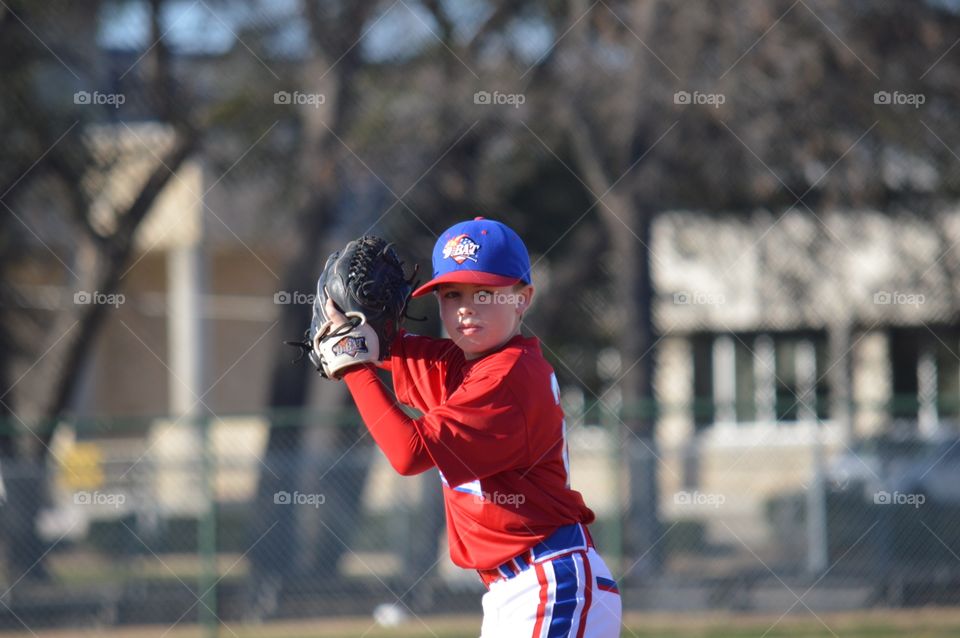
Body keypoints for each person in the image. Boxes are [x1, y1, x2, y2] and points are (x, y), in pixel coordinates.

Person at [324, 217, 622, 636]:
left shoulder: (508, 378)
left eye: (484, 292)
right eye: (452, 294)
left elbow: (408, 454)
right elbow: (391, 349)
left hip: (550, 581)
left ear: (523, 298)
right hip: (513, 589)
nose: (465, 308)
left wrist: (353, 367)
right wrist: (349, 328)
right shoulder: (462, 366)